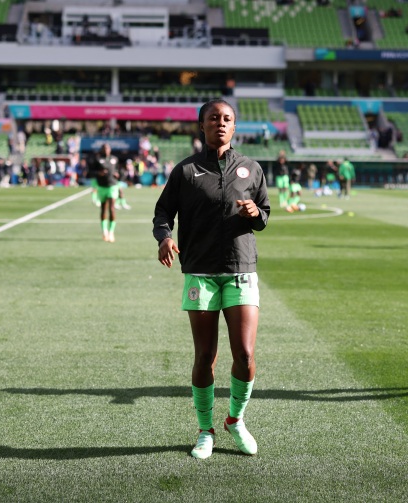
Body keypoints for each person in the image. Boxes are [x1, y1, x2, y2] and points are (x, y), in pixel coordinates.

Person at [152, 99, 270, 460]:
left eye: (227, 118)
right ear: (201, 126)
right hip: (200, 272)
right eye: (213, 118)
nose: (220, 123)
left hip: (240, 270)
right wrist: (165, 238)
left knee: (245, 354)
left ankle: (235, 419)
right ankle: (205, 430)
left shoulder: (251, 168)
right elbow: (162, 212)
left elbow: (264, 215)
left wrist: (255, 212)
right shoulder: (186, 171)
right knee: (205, 356)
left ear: (235, 127)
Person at [94, 142, 119, 242]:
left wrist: (118, 174)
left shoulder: (114, 159)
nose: (106, 150)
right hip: (102, 187)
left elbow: (118, 170)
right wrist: (98, 173)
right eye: (104, 148)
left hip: (112, 186)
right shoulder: (97, 159)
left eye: (107, 148)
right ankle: (104, 232)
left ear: (110, 149)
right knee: (103, 209)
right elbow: (90, 172)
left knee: (112, 208)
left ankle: (111, 232)